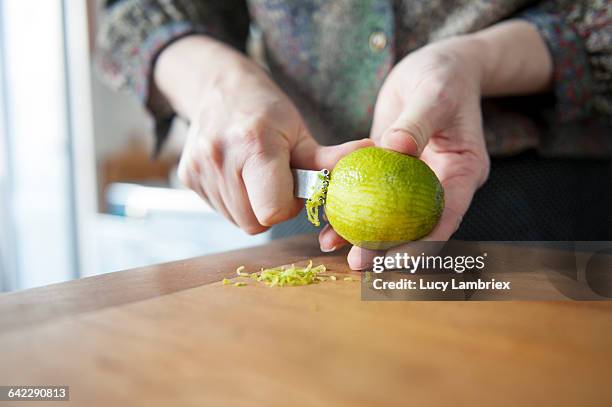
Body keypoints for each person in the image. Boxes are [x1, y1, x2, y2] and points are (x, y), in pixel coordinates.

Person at [97, 0, 611, 269]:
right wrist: (219, 85)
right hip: (318, 224)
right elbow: (137, 13)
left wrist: (475, 62)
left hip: (556, 213)